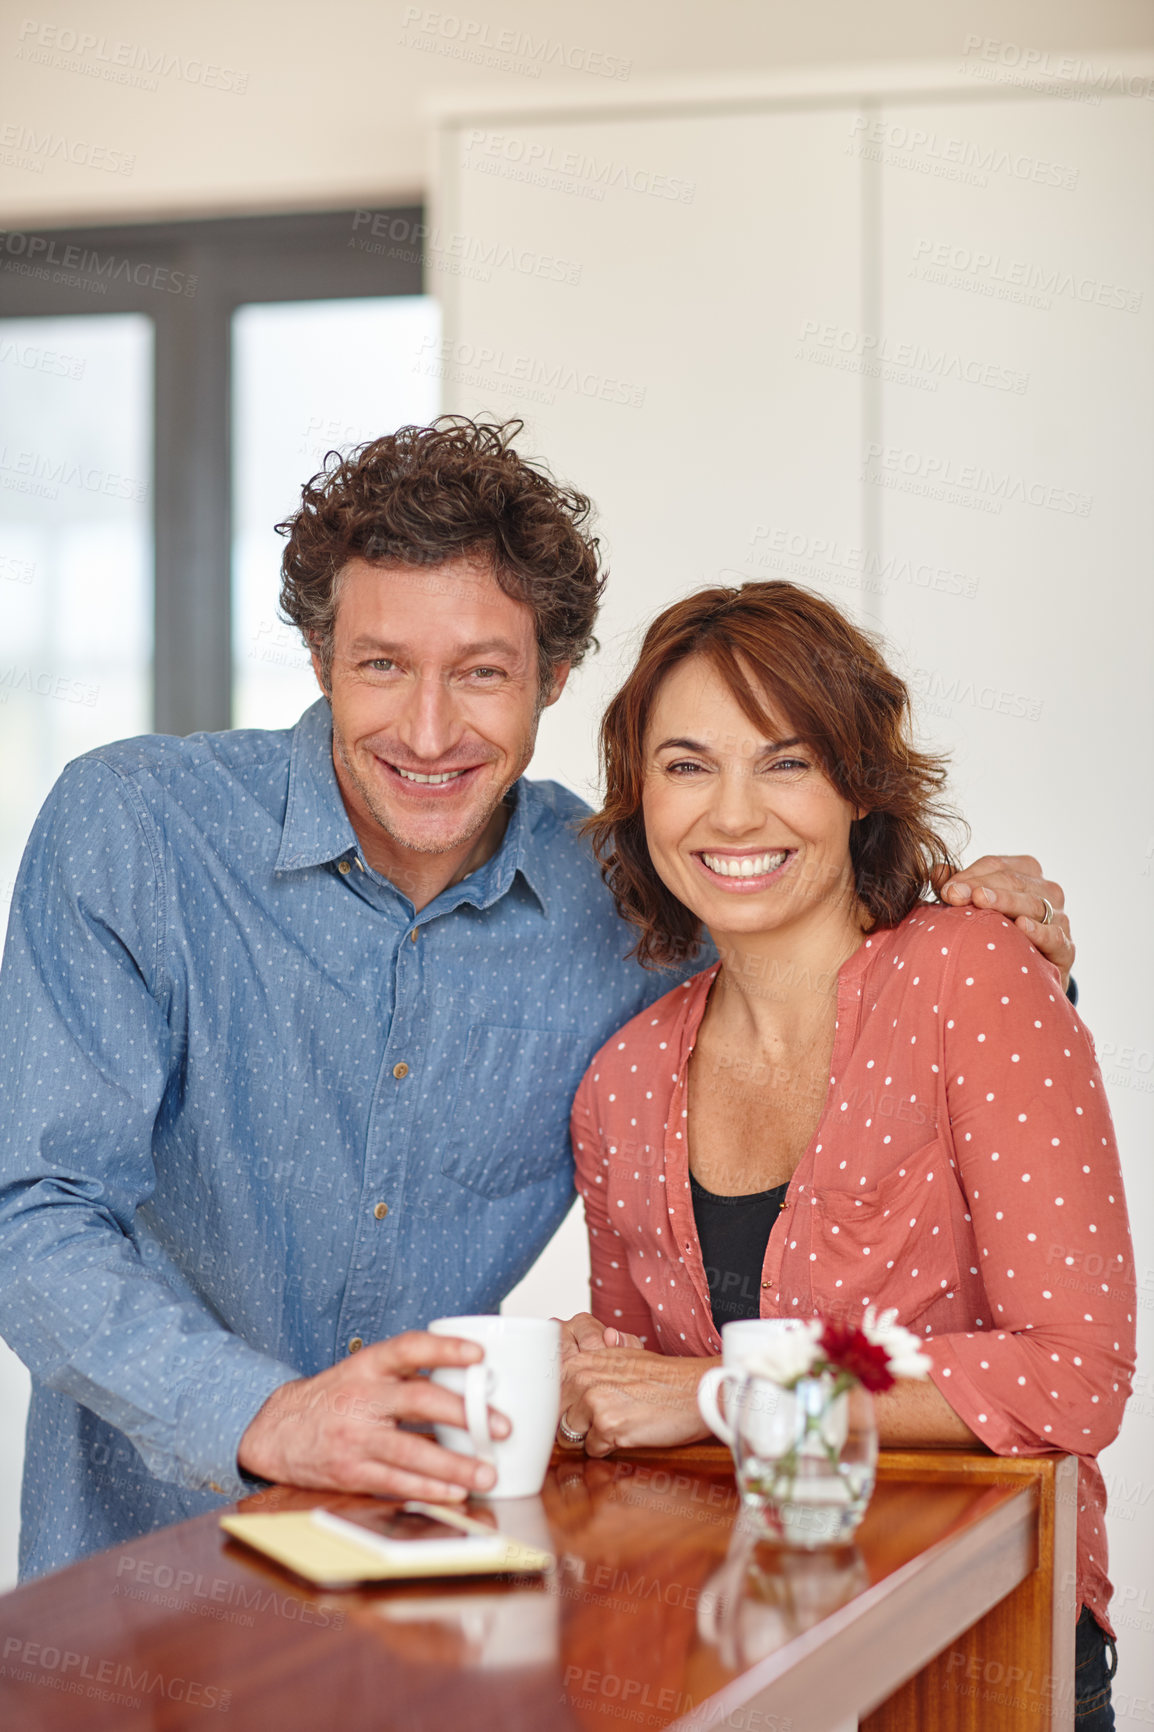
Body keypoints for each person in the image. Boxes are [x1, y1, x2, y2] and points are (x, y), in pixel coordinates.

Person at [0, 420, 1075, 1580]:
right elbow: (32, 1211)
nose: (426, 731)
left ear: (552, 677)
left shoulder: (622, 893)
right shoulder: (136, 829)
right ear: (318, 660)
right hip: (138, 1571)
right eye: (380, 665)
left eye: (480, 672)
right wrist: (268, 1415)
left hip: (435, 1577)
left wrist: (994, 933)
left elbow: (825, 948)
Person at [558, 580, 1133, 1729]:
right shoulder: (620, 1081)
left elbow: (1072, 1376)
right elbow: (643, 1422)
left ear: (855, 788)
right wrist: (595, 1384)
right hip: (734, 1664)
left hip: (977, 1648)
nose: (731, 814)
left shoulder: (973, 978)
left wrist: (714, 1392)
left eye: (785, 762)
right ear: (637, 799)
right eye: (684, 765)